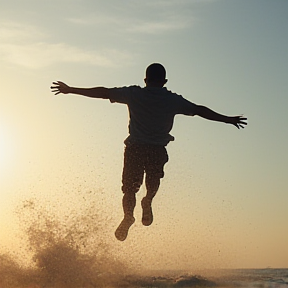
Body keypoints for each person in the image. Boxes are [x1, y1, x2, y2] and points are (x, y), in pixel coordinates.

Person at [50, 63, 247, 241]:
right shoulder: (172, 100)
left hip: (135, 148)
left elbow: (103, 92)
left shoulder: (134, 94)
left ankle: (129, 215)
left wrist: (71, 89)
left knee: (129, 188)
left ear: (145, 80)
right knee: (152, 182)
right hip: (156, 149)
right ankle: (148, 200)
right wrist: (227, 119)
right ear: (165, 81)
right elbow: (199, 110)